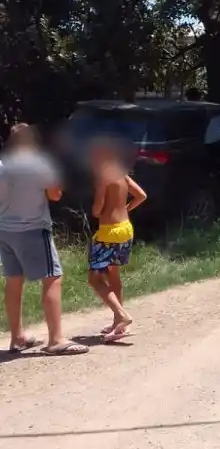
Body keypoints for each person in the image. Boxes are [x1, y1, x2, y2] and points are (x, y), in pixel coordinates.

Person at [0, 124, 88, 355]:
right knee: (52, 277)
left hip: (5, 231)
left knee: (13, 280)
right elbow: (55, 194)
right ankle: (56, 339)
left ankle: (17, 337)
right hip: (33, 228)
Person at [88, 138, 147, 341]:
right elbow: (141, 196)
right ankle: (118, 324)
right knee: (114, 277)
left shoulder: (103, 177)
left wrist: (100, 209)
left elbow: (97, 209)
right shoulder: (122, 174)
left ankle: (122, 315)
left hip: (109, 232)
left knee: (95, 279)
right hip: (125, 229)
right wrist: (125, 209)